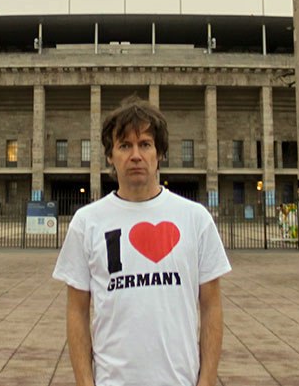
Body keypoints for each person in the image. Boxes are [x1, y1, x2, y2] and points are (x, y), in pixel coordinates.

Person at [53, 98, 231, 386]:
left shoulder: (195, 218)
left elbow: (211, 305)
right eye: (125, 145)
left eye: (145, 144)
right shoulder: (87, 222)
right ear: (110, 155)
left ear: (160, 153)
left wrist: (207, 381)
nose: (135, 155)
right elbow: (77, 310)